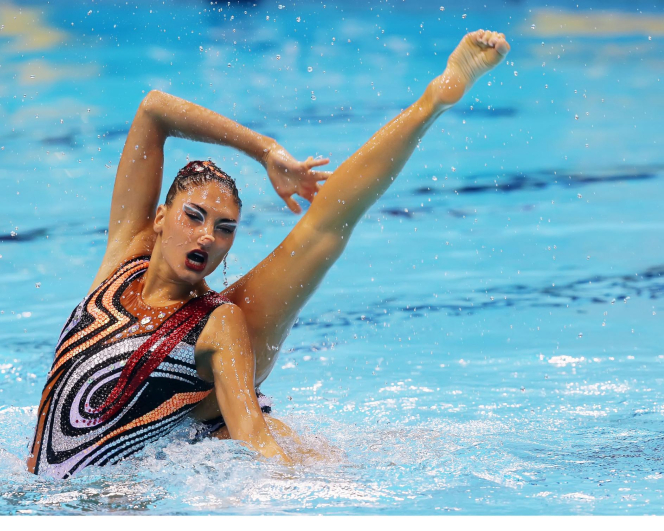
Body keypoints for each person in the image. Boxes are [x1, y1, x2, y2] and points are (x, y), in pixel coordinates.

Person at [27, 30, 511, 478]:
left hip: (116, 505)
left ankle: (432, 101)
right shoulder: (123, 262)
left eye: (225, 229)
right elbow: (154, 109)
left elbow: (254, 441)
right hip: (43, 491)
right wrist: (264, 150)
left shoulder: (219, 325)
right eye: (193, 216)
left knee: (322, 229)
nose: (207, 237)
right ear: (159, 218)